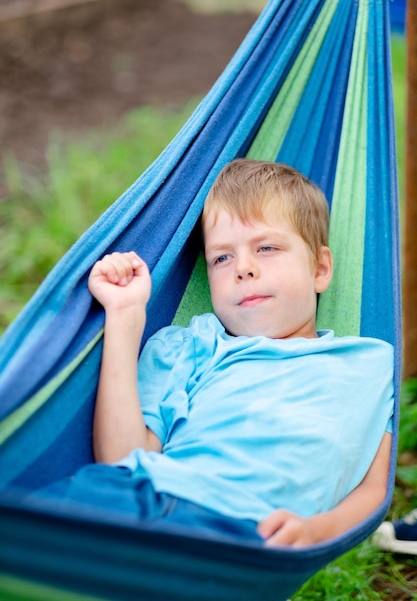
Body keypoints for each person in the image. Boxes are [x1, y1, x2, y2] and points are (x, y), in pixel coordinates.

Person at [28, 159, 394, 547]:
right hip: (135, 499)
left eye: (266, 247)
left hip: (245, 534)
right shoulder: (189, 346)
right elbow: (122, 457)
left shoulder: (368, 364)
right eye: (222, 257)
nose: (244, 269)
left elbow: (374, 489)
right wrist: (125, 314)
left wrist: (316, 531)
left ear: (319, 269)